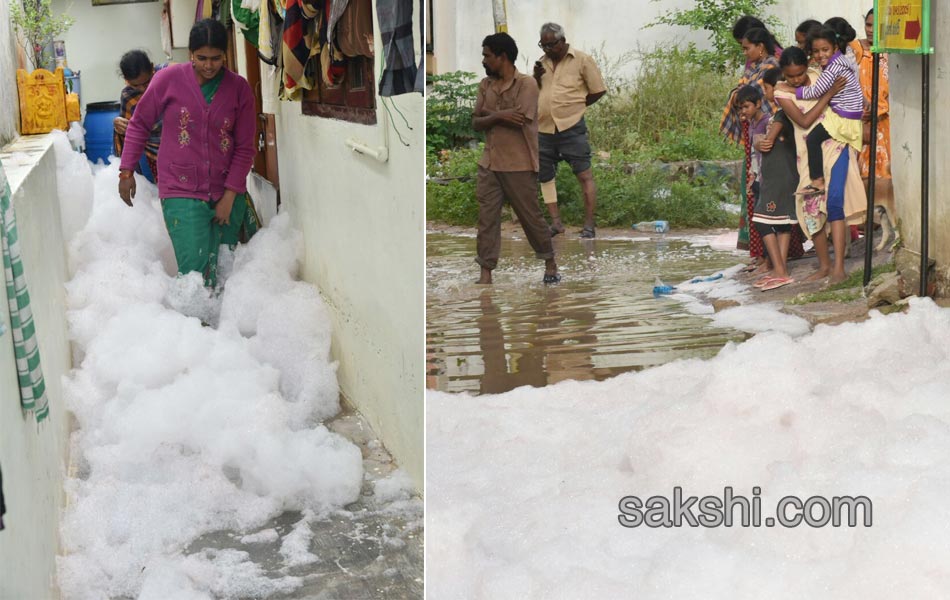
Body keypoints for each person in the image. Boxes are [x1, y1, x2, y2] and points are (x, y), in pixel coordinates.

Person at [118, 19, 258, 289]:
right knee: (194, 276)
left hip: (227, 190)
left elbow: (244, 148)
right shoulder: (167, 80)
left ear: (225, 55)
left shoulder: (239, 89)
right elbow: (139, 124)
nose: (208, 65)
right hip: (180, 190)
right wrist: (126, 171)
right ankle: (195, 328)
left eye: (216, 58)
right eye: (201, 58)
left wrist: (230, 196)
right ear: (190, 54)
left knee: (224, 275)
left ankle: (220, 330)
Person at [473, 32, 559, 285]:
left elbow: (519, 119)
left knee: (530, 218)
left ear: (502, 57)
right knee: (487, 220)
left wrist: (489, 113)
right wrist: (500, 115)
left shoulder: (527, 84)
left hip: (519, 163)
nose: (484, 61)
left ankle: (549, 260)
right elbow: (476, 122)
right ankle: (485, 274)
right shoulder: (485, 85)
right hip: (489, 164)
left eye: (487, 56)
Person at [775, 47, 862, 284]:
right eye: (790, 76)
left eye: (800, 74)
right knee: (810, 208)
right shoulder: (781, 93)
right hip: (807, 156)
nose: (795, 79)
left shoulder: (819, 75)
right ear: (783, 72)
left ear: (808, 66)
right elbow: (804, 120)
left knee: (834, 201)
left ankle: (839, 268)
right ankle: (824, 265)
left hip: (834, 144)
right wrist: (829, 93)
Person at [532, 22, 606, 238]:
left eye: (551, 45)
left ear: (562, 41)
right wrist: (536, 77)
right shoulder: (541, 63)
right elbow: (539, 92)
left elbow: (598, 90)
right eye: (543, 45)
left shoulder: (582, 60)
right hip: (544, 129)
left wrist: (576, 106)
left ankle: (589, 226)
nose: (547, 49)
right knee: (545, 177)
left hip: (571, 127)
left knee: (584, 175)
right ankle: (556, 224)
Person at [720, 25, 780, 267]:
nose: (744, 53)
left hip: (768, 137)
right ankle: (760, 253)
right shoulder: (754, 69)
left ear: (760, 47)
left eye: (746, 48)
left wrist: (738, 94)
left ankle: (772, 258)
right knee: (754, 193)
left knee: (765, 197)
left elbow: (745, 94)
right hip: (753, 138)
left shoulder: (770, 68)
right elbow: (741, 94)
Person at [791, 20, 864, 197]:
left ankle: (817, 181)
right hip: (848, 113)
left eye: (825, 50)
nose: (820, 55)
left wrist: (791, 89)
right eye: (816, 51)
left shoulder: (833, 68)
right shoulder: (842, 61)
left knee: (813, 139)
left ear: (835, 47)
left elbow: (816, 91)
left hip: (843, 118)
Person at [746, 72, 799, 291]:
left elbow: (766, 142)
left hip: (778, 178)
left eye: (767, 88)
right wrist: (759, 141)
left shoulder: (781, 116)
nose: (767, 93)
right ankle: (780, 269)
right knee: (782, 222)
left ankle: (780, 270)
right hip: (783, 174)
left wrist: (759, 140)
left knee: (763, 220)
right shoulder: (782, 114)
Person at [849, 9, 894, 220]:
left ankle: (878, 220)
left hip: (884, 121)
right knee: (860, 170)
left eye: (876, 26)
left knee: (883, 172)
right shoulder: (856, 49)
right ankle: (862, 220)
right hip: (858, 120)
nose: (871, 30)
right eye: (868, 25)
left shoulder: (891, 52)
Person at [113, 50, 167, 184]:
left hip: (183, 148)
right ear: (126, 81)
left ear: (152, 68)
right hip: (153, 156)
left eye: (147, 82)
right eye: (136, 85)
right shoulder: (128, 96)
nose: (143, 89)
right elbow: (129, 133)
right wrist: (119, 125)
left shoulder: (167, 78)